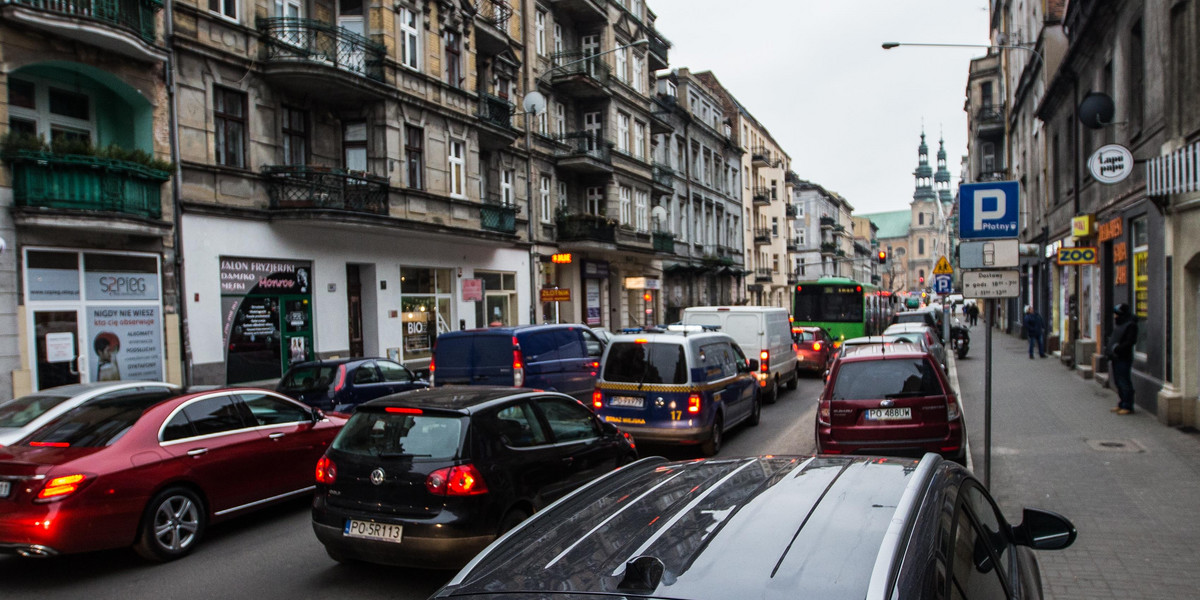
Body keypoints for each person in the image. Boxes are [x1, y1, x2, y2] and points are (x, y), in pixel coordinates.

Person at [1106, 303, 1139, 415]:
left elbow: (1130, 342)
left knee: (1124, 381)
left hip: (1124, 357)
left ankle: (1128, 405)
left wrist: (1118, 348)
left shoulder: (1131, 325)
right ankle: (1121, 402)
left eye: (1117, 314)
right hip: (1116, 357)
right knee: (1118, 381)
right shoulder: (1121, 323)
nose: (1115, 316)